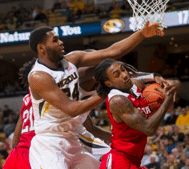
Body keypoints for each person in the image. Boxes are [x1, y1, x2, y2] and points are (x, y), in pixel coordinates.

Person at [28, 23, 164, 169]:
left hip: (76, 133)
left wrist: (142, 34)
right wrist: (104, 91)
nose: (61, 42)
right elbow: (71, 108)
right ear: (41, 48)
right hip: (51, 141)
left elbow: (113, 52)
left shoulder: (72, 59)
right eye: (55, 40)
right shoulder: (38, 76)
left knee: (115, 159)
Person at [94, 59, 176, 169]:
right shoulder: (118, 100)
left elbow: (136, 77)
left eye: (123, 69)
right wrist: (167, 100)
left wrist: (155, 76)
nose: (124, 75)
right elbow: (148, 129)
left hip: (134, 160)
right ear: (108, 83)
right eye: (117, 75)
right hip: (119, 161)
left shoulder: (134, 85)